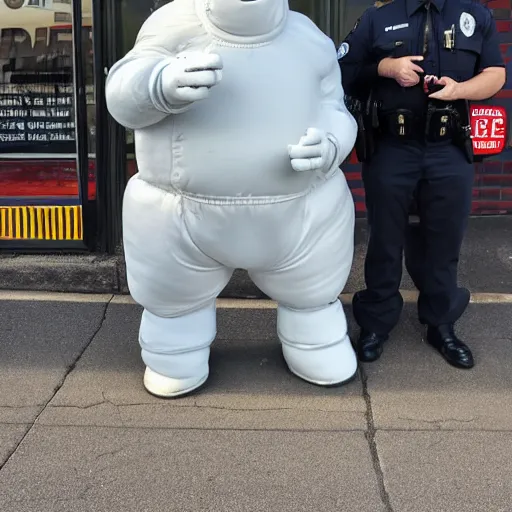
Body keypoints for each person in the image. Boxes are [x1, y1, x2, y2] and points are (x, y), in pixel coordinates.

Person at [105, 0, 358, 398]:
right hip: (180, 211)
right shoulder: (172, 23)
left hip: (298, 212)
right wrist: (158, 84)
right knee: (175, 305)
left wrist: (330, 145)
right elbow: (121, 95)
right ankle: (175, 353)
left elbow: (335, 109)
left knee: (312, 295)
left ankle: (316, 341)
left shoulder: (308, 38)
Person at [338, 0, 506, 368]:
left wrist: (459, 90)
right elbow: (345, 69)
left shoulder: (474, 16)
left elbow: (495, 74)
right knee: (385, 238)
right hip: (392, 149)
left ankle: (441, 324)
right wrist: (387, 67)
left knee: (444, 240)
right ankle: (376, 323)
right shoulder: (378, 17)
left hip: (448, 149)